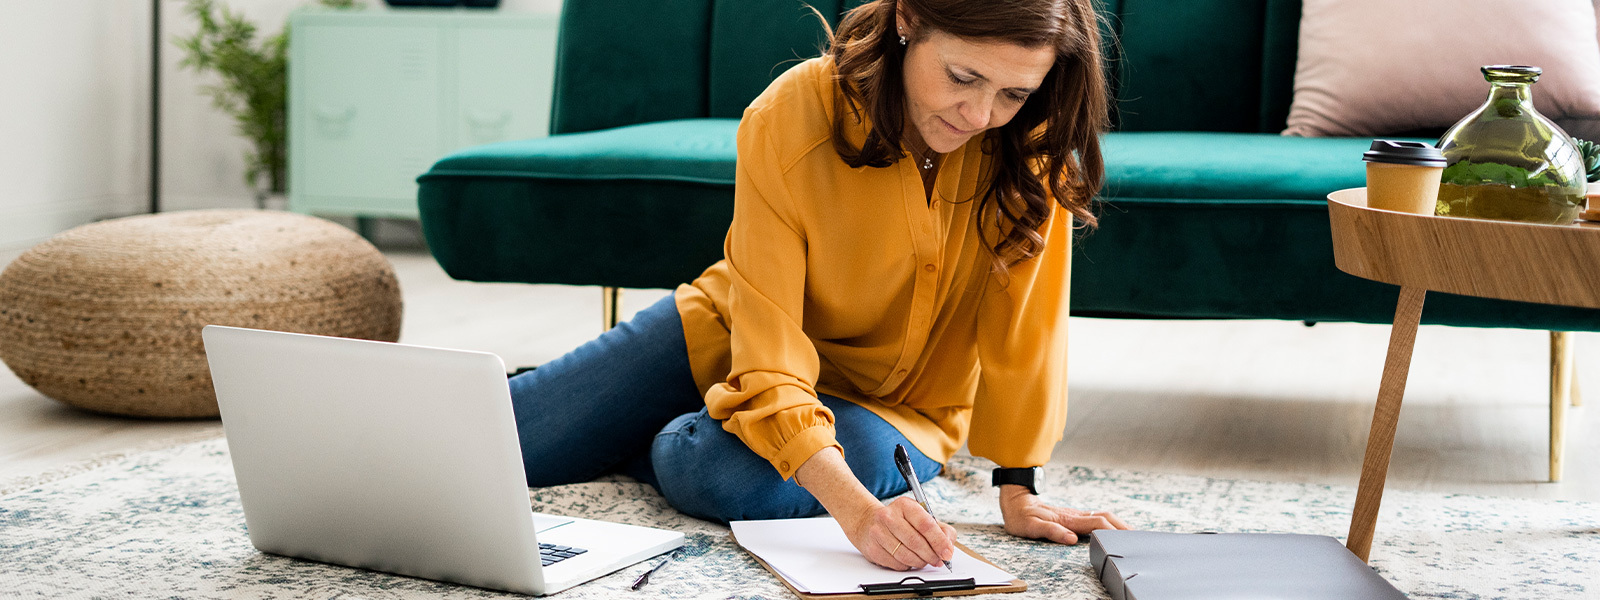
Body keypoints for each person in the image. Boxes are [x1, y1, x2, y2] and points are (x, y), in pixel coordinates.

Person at [508, 0, 1130, 571]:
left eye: (1014, 93)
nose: (981, 115)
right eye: (963, 77)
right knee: (496, 441)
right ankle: (675, 413)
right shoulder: (792, 112)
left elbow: (1026, 329)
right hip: (729, 331)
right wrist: (859, 515)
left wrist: (1018, 486)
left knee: (713, 471)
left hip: (892, 409)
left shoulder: (1032, 148)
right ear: (907, 19)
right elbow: (768, 338)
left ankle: (665, 430)